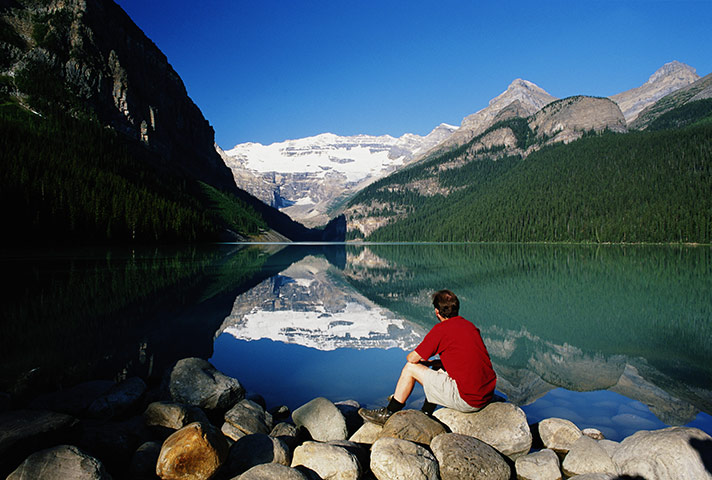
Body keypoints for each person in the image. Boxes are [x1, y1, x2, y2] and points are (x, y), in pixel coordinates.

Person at [358, 289, 497, 425]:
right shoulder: (469, 326)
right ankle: (426, 413)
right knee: (438, 369)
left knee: (410, 369)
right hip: (485, 393)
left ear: (437, 311)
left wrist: (422, 362)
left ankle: (388, 413)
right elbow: (466, 358)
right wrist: (436, 363)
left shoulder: (441, 330)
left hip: (469, 401)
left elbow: (411, 358)